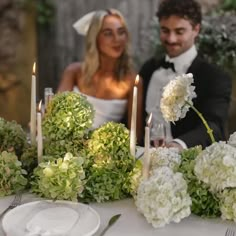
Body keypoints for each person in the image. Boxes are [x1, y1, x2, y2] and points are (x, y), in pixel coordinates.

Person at [139, 0, 232, 150]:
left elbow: (214, 125)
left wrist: (178, 145)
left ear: (196, 29)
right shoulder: (148, 68)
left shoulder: (214, 77)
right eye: (165, 30)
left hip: (184, 162)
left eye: (179, 31)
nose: (171, 39)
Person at [57, 9, 143, 144]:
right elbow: (55, 115)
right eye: (108, 33)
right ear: (95, 38)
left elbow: (135, 136)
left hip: (104, 155)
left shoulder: (132, 80)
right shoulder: (74, 72)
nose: (117, 39)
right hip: (69, 148)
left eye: (121, 32)